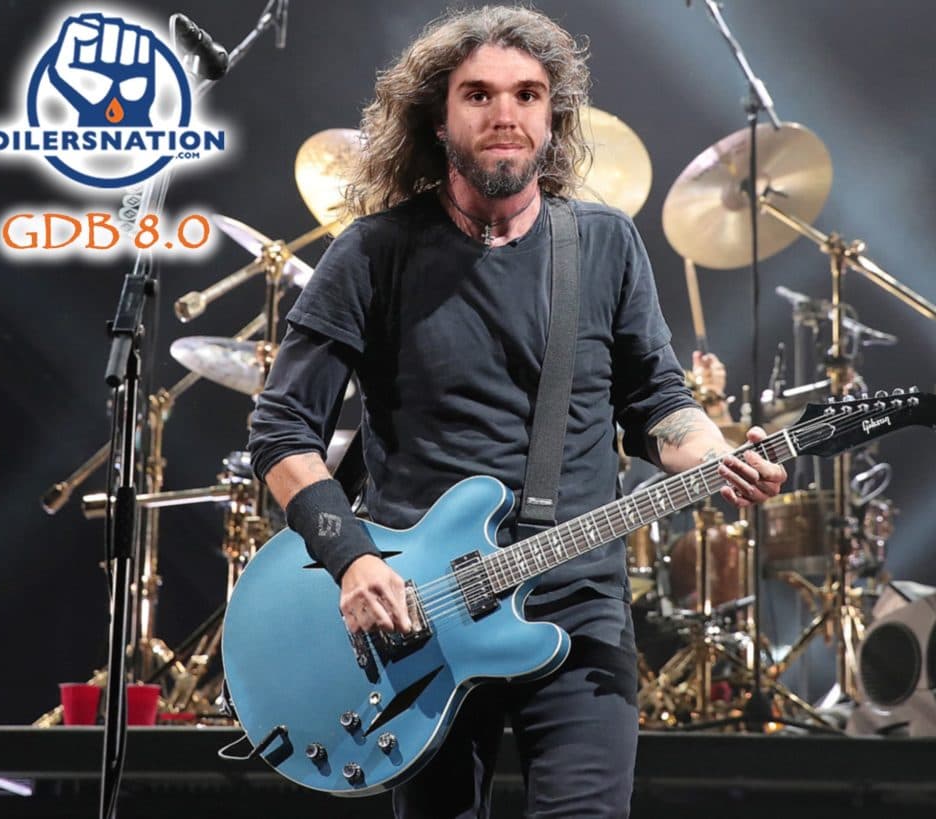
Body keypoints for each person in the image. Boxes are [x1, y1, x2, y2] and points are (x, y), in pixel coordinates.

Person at [248, 7, 787, 817]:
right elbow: (282, 429)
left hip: (578, 604)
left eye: (528, 94)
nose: (506, 113)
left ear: (553, 117)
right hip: (419, 615)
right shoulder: (373, 251)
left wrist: (713, 454)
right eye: (479, 94)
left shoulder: (603, 244)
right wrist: (353, 561)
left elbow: (656, 400)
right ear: (438, 118)